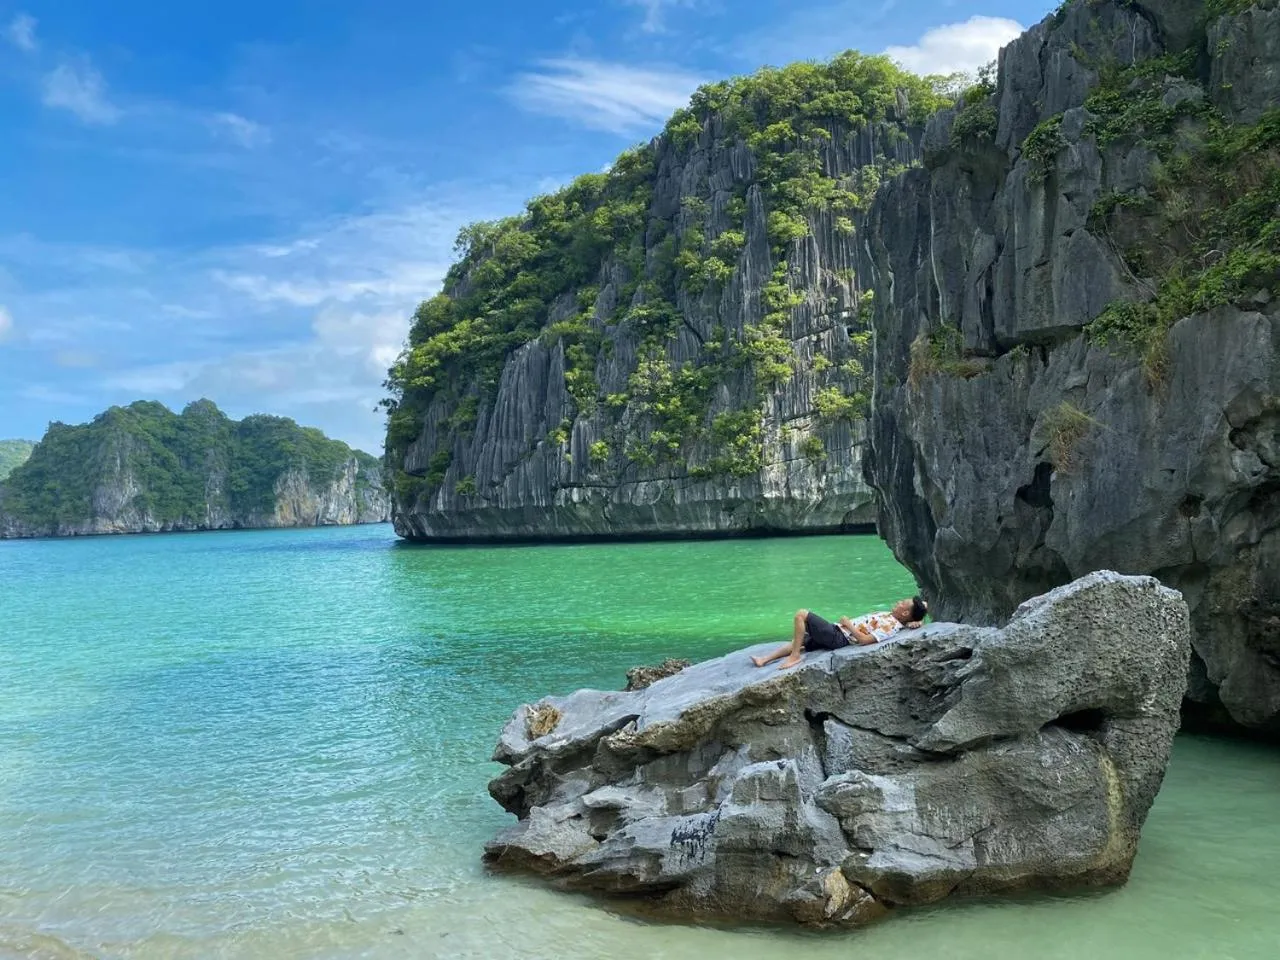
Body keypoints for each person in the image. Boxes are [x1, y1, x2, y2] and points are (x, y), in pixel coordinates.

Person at [751, 597, 929, 670]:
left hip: (840, 637)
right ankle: (765, 660)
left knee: (801, 614)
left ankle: (795, 656)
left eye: (902, 604)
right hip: (838, 632)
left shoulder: (891, 625)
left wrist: (848, 624)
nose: (898, 602)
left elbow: (865, 640)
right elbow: (923, 607)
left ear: (905, 613)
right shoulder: (893, 617)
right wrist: (919, 620)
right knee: (802, 639)